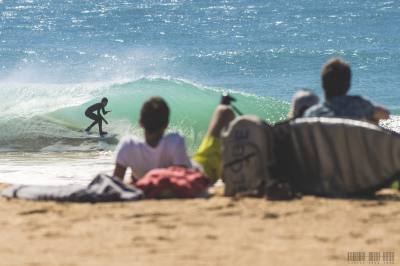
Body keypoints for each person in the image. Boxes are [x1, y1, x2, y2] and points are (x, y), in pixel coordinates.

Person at [113, 96, 235, 183]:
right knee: (223, 115)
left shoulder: (128, 146)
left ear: (140, 123)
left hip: (190, 170)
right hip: (202, 174)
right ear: (166, 124)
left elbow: (115, 184)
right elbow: (183, 179)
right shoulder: (174, 141)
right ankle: (224, 105)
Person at [304, 58, 389, 123]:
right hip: (355, 145)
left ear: (323, 85)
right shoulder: (360, 105)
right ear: (348, 85)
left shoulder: (312, 114)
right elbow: (385, 114)